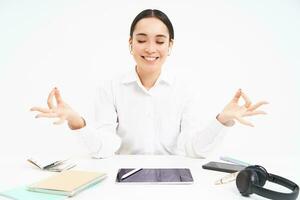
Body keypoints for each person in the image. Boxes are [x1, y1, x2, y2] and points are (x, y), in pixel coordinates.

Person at [30, 9, 267, 158]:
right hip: (121, 180)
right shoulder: (110, 87)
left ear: (170, 46)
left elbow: (194, 149)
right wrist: (76, 121)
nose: (151, 49)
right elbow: (105, 148)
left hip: (176, 181)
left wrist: (222, 121)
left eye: (160, 41)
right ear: (130, 44)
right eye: (142, 40)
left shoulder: (185, 88)